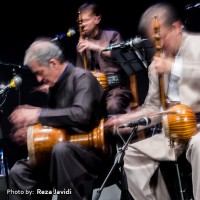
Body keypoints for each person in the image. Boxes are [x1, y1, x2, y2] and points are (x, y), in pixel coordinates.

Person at [105, 2, 200, 200]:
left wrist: (175, 67)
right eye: (153, 40)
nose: (160, 45)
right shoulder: (156, 64)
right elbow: (153, 107)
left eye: (161, 37)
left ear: (176, 27)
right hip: (171, 133)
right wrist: (124, 120)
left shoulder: (197, 45)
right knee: (129, 156)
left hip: (197, 128)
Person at [8, 38, 108, 200]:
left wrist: (38, 114)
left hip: (89, 152)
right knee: (19, 172)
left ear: (53, 63)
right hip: (59, 152)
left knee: (62, 151)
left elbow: (81, 115)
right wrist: (33, 131)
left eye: (39, 72)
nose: (39, 79)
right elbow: (57, 125)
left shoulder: (83, 79)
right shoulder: (55, 88)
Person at [76, 2, 133, 115]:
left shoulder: (113, 36)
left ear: (97, 19)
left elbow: (119, 54)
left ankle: (125, 130)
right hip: (93, 91)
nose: (82, 25)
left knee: (113, 106)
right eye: (79, 22)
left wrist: (95, 46)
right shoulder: (81, 44)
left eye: (85, 21)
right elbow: (78, 73)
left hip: (115, 89)